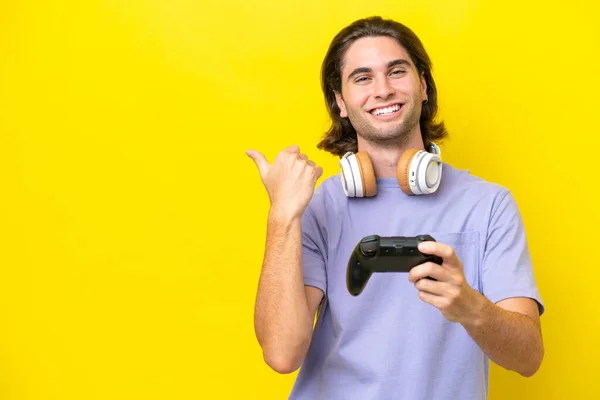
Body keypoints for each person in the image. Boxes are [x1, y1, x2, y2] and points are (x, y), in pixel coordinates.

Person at [246, 15, 545, 400]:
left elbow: (529, 357)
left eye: (397, 71)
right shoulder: (317, 207)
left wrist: (471, 306)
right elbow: (282, 353)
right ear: (340, 102)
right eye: (363, 78)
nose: (383, 90)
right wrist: (282, 216)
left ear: (423, 85)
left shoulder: (488, 205)